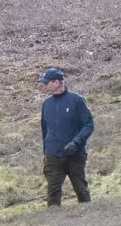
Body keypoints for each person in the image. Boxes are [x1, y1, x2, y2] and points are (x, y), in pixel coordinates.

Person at [38, 67, 95, 205]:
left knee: (81, 189)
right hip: (53, 156)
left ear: (57, 82)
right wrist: (46, 153)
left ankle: (89, 217)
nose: (44, 86)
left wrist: (76, 142)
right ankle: (53, 220)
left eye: (47, 83)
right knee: (53, 192)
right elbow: (45, 130)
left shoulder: (77, 100)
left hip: (75, 155)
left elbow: (88, 125)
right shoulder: (46, 104)